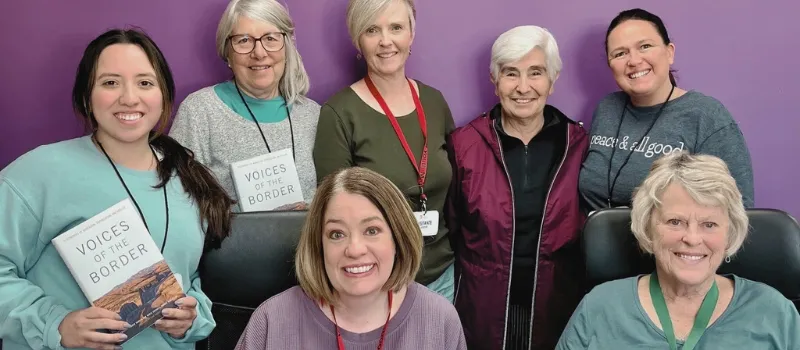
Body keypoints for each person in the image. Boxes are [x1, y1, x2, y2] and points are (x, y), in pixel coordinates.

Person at [0, 29, 234, 349]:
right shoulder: (38, 172)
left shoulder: (189, 181)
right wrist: (55, 324)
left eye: (145, 83)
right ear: (87, 96)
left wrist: (190, 319)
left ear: (163, 95)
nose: (129, 97)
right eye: (110, 82)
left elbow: (187, 280)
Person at [557, 151, 800, 349]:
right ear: (648, 228)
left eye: (709, 224)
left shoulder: (776, 312)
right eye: (675, 222)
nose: (692, 239)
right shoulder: (599, 307)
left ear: (730, 233)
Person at [446, 26, 589, 350]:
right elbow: (451, 230)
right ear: (495, 81)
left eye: (535, 73)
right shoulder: (464, 144)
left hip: (556, 311)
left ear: (552, 81)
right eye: (511, 74)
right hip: (481, 311)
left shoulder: (578, 145)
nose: (523, 87)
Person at [313, 0, 457, 301]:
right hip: (377, 283)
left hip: (441, 276)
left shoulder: (434, 102)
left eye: (396, 28)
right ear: (357, 41)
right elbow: (335, 212)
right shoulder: (339, 113)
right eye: (372, 30)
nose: (385, 41)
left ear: (411, 35)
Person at [234, 167, 467, 349]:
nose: (355, 250)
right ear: (319, 245)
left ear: (398, 238)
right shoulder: (271, 320)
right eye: (337, 234)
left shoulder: (440, 319)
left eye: (372, 231)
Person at [579, 8, 754, 212]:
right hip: (595, 241)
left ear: (669, 52)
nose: (634, 61)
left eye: (645, 46)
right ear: (611, 65)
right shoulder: (607, 109)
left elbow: (738, 212)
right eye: (620, 53)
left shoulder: (706, 116)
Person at [170, 0, 319, 212]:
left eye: (270, 38)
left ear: (287, 47)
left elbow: (332, 198)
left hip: (305, 244)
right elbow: (176, 202)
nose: (259, 52)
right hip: (235, 244)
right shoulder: (200, 111)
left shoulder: (313, 115)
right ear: (227, 52)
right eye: (244, 40)